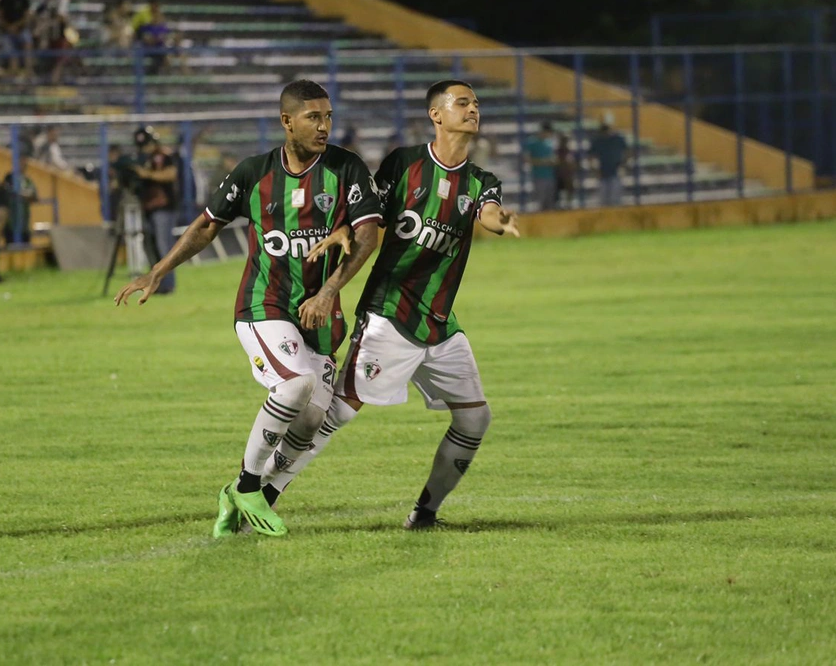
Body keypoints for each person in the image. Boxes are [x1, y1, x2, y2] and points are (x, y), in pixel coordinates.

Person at [115, 79, 382, 539]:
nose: (324, 126)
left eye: (328, 116)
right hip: (264, 305)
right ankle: (247, 486)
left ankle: (245, 497)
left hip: (321, 313)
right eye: (313, 117)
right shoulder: (253, 173)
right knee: (295, 386)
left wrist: (328, 291)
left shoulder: (346, 168)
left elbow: (369, 236)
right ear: (286, 122)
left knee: (315, 418)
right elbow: (207, 225)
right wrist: (158, 270)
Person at [256, 80, 520, 531]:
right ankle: (260, 494)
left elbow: (488, 210)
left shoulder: (480, 181)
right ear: (437, 115)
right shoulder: (406, 163)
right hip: (390, 315)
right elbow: (369, 210)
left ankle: (425, 514)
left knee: (475, 419)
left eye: (476, 103)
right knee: (334, 414)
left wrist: (499, 220)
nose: (473, 109)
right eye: (463, 103)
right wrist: (342, 229)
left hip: (439, 323)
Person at [126, 126, 180, 294]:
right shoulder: (141, 159)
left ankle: (168, 285)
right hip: (148, 207)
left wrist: (146, 174)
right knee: (151, 247)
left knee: (164, 247)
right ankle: (156, 284)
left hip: (164, 207)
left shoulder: (164, 155)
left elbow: (171, 174)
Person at [0, 0, 33, 79]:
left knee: (27, 42)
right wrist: (8, 27)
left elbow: (27, 16)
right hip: (7, 31)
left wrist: (16, 26)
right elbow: (0, 16)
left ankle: (28, 71)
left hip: (21, 29)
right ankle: (14, 73)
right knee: (10, 50)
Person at [588, 122, 628, 207]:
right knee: (603, 201)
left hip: (616, 172)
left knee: (616, 200)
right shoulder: (598, 141)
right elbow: (590, 157)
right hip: (603, 173)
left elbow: (627, 152)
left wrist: (623, 165)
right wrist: (595, 170)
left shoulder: (618, 139)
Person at [524, 121, 558, 211]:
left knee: (550, 202)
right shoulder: (532, 142)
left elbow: (553, 157)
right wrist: (543, 162)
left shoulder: (550, 143)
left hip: (550, 176)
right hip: (539, 176)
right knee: (539, 202)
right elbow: (526, 159)